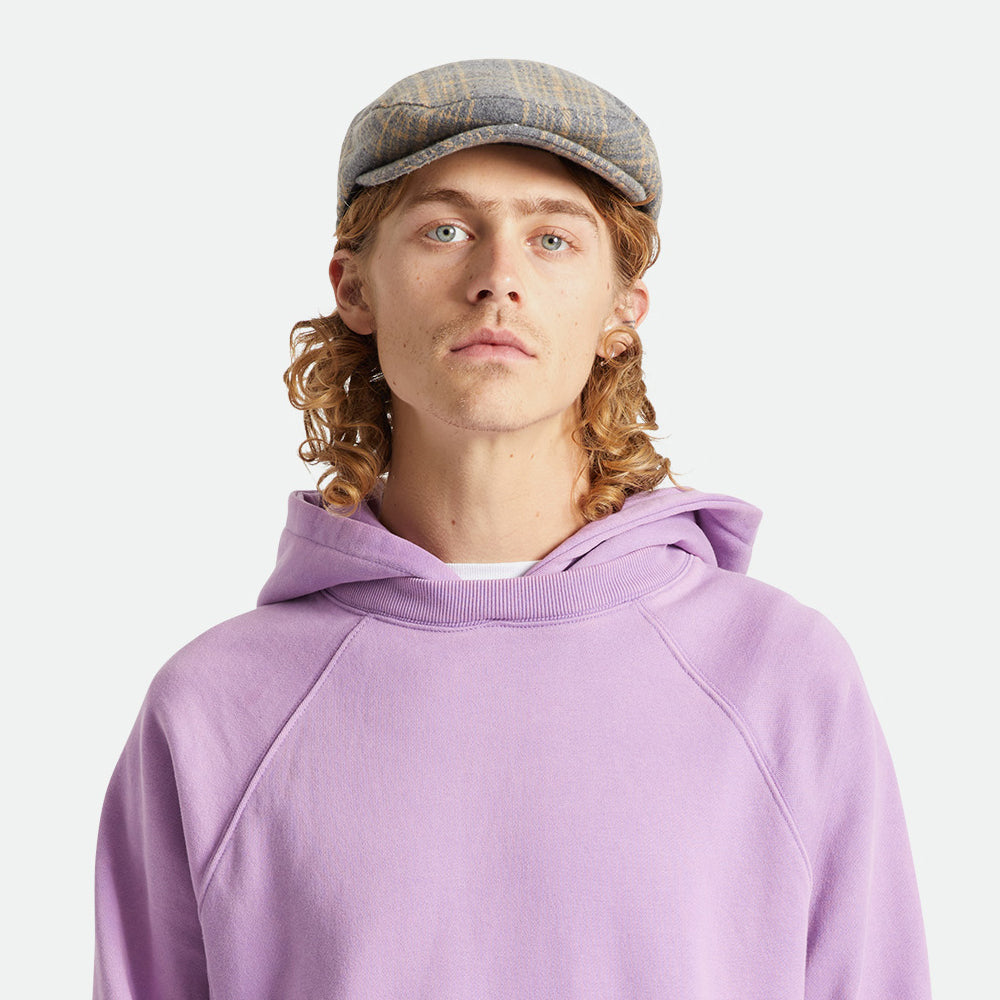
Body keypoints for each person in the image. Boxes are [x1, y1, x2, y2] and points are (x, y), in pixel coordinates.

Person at [93, 59, 932, 999]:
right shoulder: (215, 708)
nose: (497, 278)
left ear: (623, 309)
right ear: (354, 287)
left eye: (553, 238)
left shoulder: (780, 676)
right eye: (446, 230)